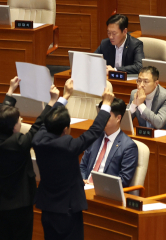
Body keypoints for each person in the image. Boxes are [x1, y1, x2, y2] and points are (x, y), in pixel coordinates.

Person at [33, 83, 114, 240]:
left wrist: (63, 98)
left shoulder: (37, 140)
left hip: (47, 208)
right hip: (67, 211)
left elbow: (44, 122)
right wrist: (106, 105)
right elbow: (94, 131)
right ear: (65, 130)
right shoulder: (68, 145)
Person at [0, 78, 62, 240]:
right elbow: (38, 125)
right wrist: (52, 101)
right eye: (19, 119)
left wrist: (11, 90)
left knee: (1, 235)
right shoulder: (20, 143)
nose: (21, 121)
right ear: (13, 126)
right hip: (19, 204)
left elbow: (1, 116)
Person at [79, 96, 138, 186]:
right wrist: (83, 180)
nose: (101, 119)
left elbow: (124, 180)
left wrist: (98, 185)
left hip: (105, 192)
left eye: (106, 116)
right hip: (85, 187)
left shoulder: (128, 146)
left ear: (118, 118)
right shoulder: (94, 137)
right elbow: (83, 166)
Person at [129, 66, 166, 132]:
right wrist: (134, 104)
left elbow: (159, 123)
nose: (141, 85)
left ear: (156, 83)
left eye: (146, 81)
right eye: (139, 81)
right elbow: (123, 121)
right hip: (146, 135)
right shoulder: (134, 93)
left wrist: (140, 104)